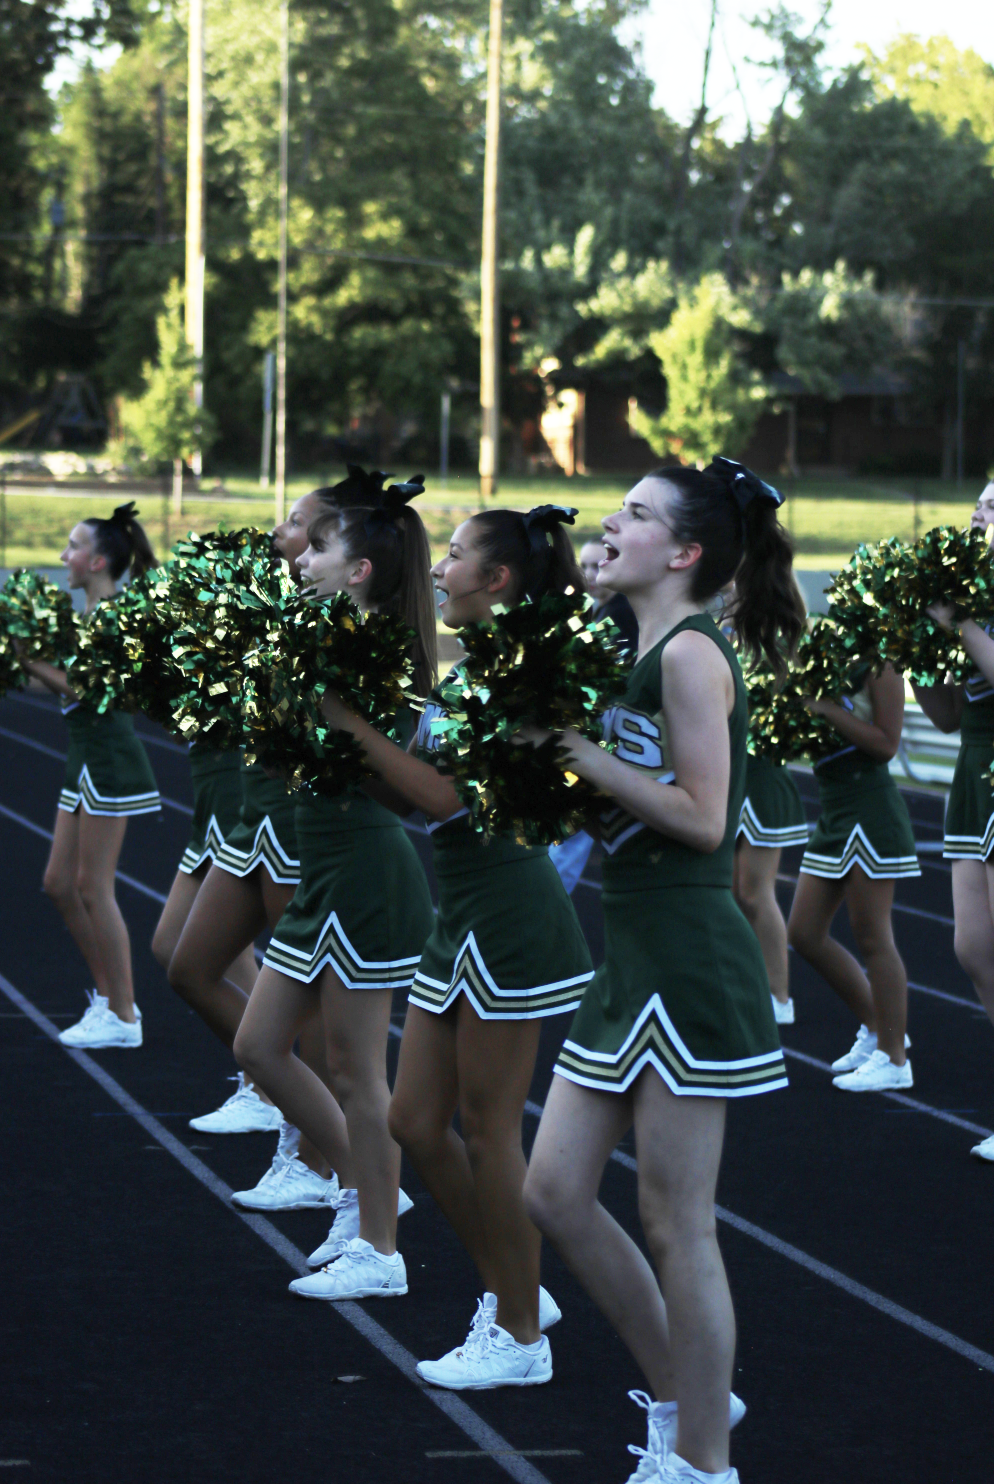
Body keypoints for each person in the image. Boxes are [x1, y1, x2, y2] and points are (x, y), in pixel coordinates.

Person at [521, 459, 802, 1484]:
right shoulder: (623, 645)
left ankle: (703, 1456)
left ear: (682, 553)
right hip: (630, 950)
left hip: (686, 959)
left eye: (634, 514)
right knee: (551, 1189)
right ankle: (688, 1391)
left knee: (676, 1222)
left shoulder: (688, 655)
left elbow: (701, 820)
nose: (611, 521)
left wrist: (583, 757)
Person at [317, 505, 594, 1386]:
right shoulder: (477, 669)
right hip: (462, 913)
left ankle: (517, 1332)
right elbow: (417, 799)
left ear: (499, 580)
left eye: (458, 555)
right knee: (410, 1122)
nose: (440, 569)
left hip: (511, 917)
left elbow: (447, 802)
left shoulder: (524, 673)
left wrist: (351, 726)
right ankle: (516, 1286)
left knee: (488, 1131)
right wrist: (339, 733)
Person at [234, 484, 438, 1299]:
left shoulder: (375, 653)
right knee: (258, 1046)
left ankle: (378, 1244)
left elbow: (393, 786)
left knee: (359, 1073)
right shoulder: (316, 638)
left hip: (365, 877)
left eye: (317, 548)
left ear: (356, 569)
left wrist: (336, 716)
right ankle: (365, 1193)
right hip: (323, 871)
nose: (301, 557)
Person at [165, 486, 344, 1204]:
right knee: (188, 966)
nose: (281, 532)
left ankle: (325, 1161)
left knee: (319, 1017)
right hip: (257, 817)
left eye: (302, 526)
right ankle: (313, 1135)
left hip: (298, 826)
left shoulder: (342, 630)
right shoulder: (281, 613)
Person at [22, 503, 161, 1048]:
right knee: (59, 884)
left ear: (98, 560)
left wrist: (28, 661)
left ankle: (124, 1015)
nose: (63, 556)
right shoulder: (87, 616)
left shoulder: (115, 618)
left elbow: (93, 695)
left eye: (73, 546)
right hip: (83, 760)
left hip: (110, 762)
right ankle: (107, 1000)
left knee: (93, 886)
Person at [786, 658, 917, 1091]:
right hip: (834, 809)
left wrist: (828, 710)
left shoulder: (883, 663)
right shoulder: (822, 656)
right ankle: (878, 1027)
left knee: (872, 934)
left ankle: (895, 1059)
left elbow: (887, 744)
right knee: (804, 932)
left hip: (870, 808)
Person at [912, 479, 994, 1160]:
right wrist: (917, 647)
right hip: (975, 773)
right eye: (978, 504)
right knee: (972, 948)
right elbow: (946, 716)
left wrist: (960, 623)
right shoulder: (973, 599)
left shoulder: (973, 611)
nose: (979, 514)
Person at [732, 574, 810, 1026]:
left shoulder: (779, 637)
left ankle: (778, 996)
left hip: (761, 779)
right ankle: (744, 983)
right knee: (727, 892)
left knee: (755, 892)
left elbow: (783, 712)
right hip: (729, 778)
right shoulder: (722, 629)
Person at [550, 540, 640, 895]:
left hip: (608, 742)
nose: (591, 575)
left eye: (597, 564)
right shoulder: (598, 612)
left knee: (570, 838)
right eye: (583, 566)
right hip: (596, 741)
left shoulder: (622, 615)